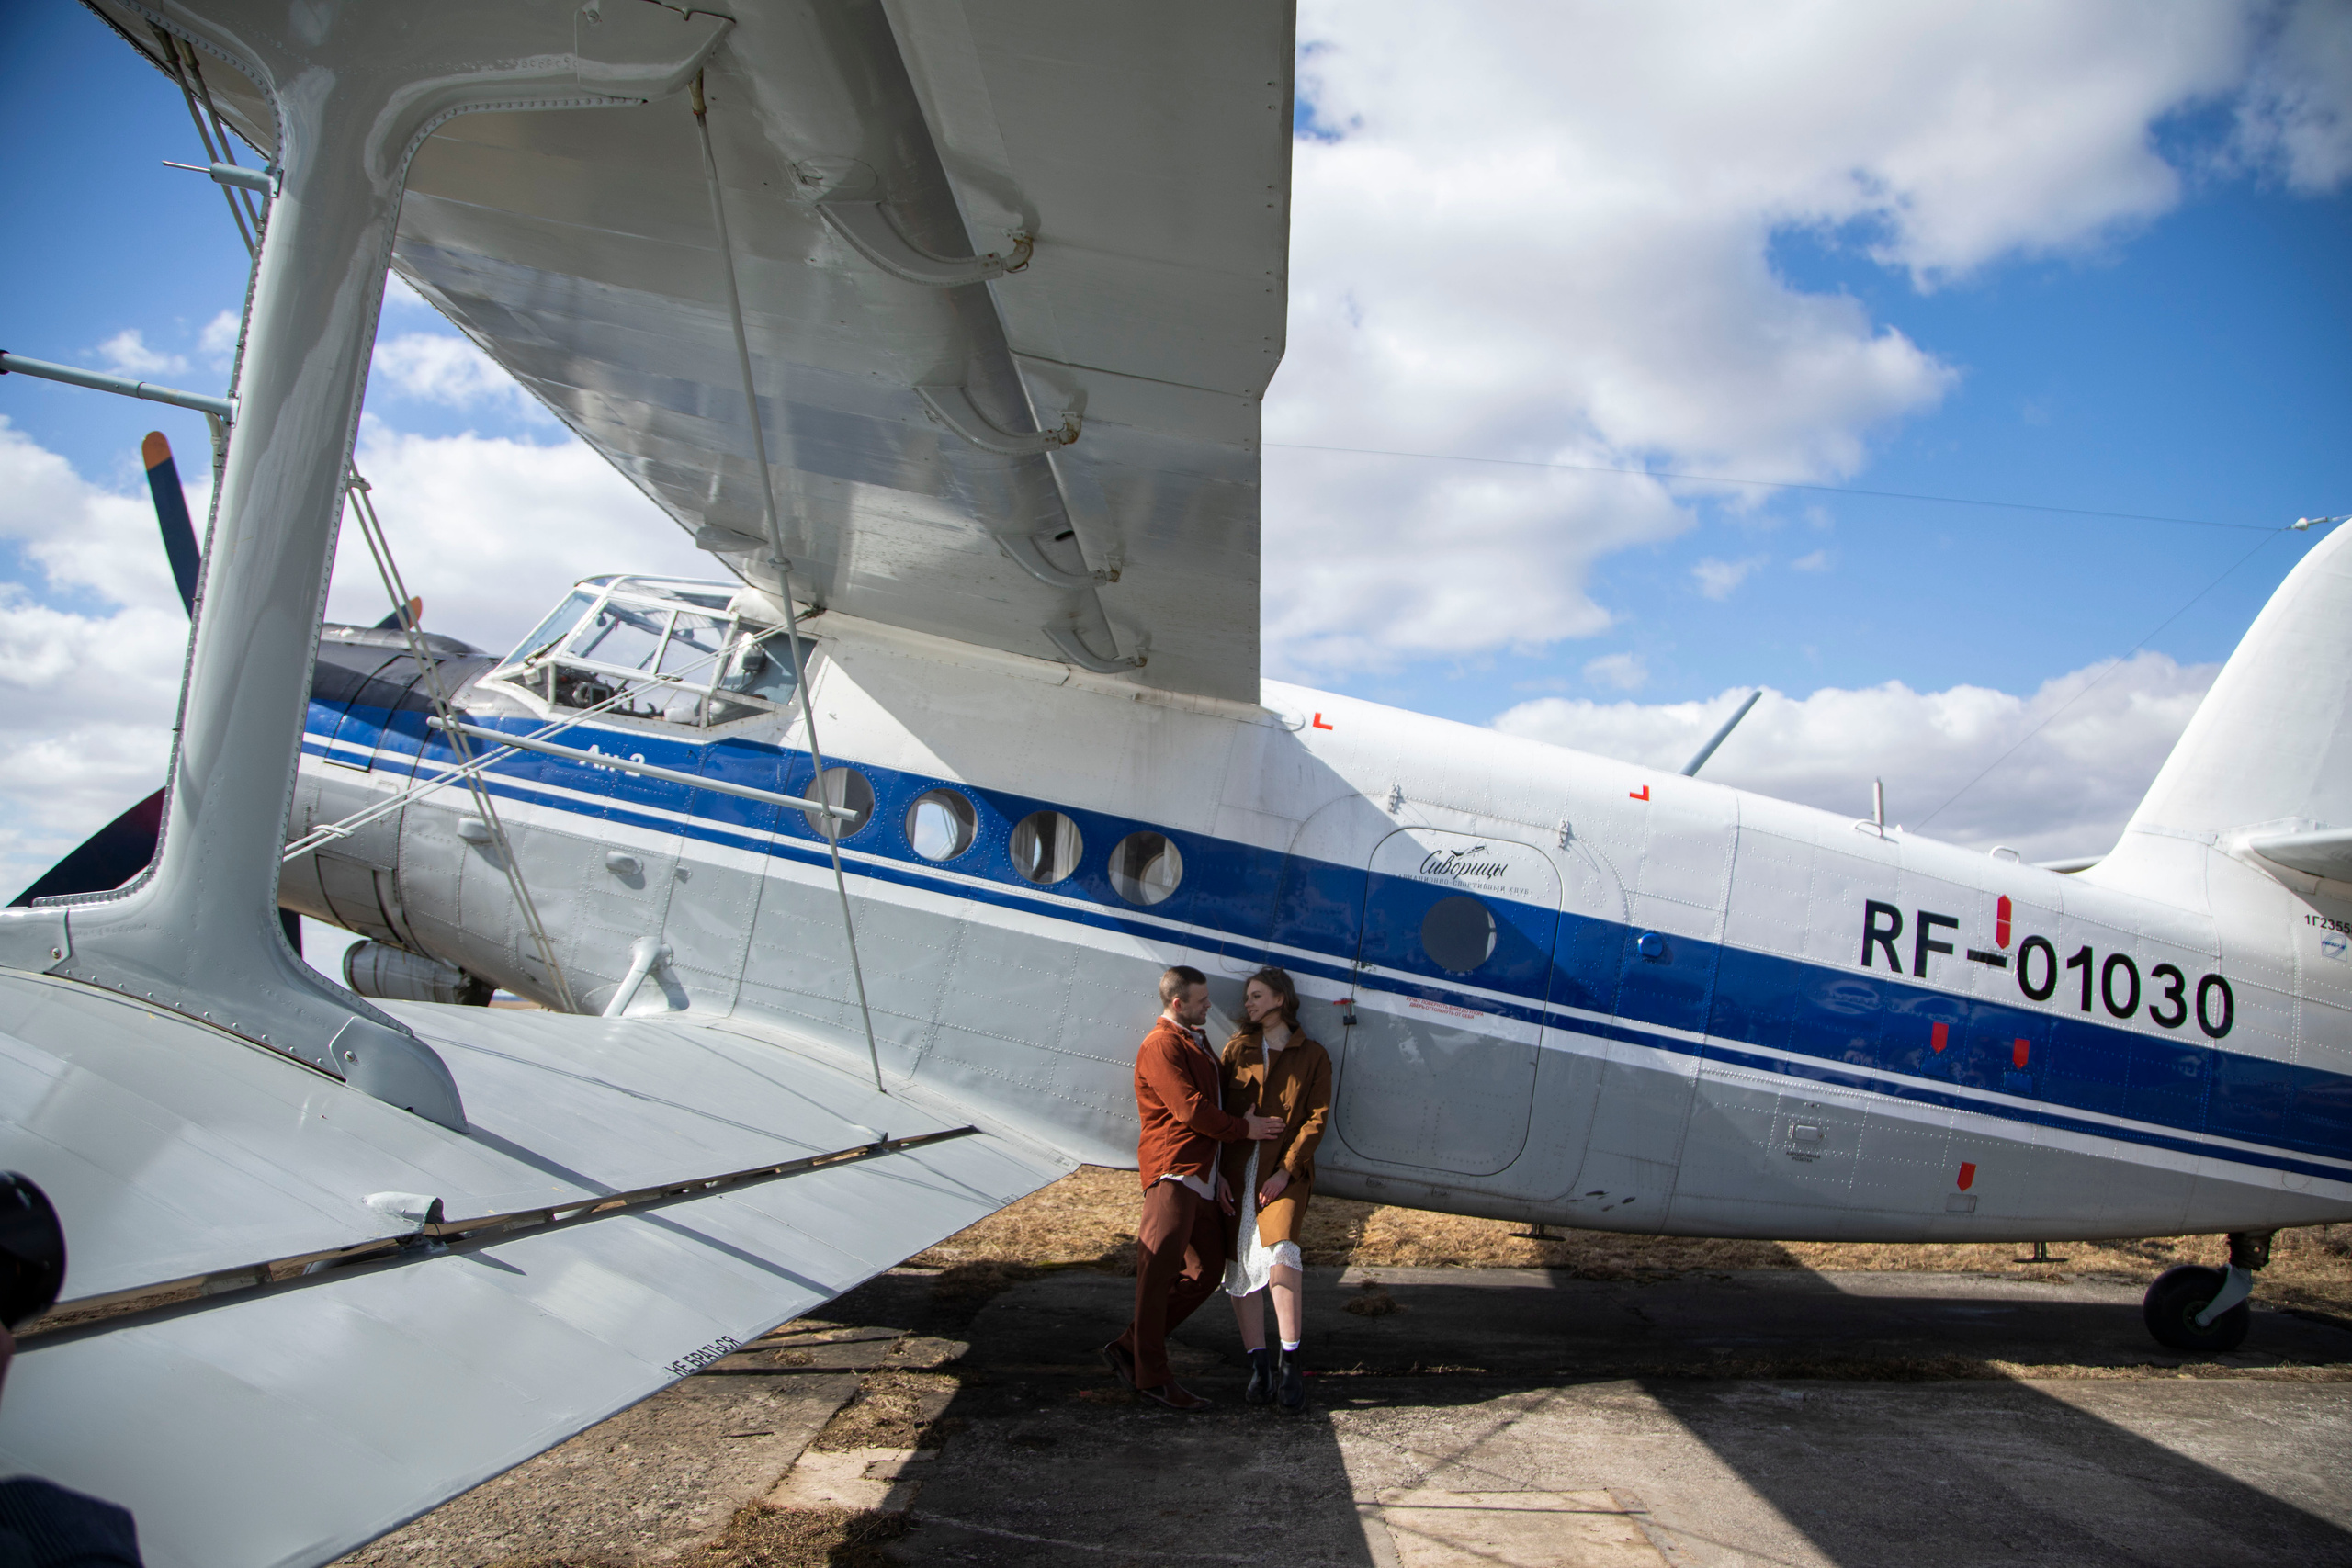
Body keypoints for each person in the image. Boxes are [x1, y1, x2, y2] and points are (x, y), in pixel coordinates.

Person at [1102, 966, 1283, 1410]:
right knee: (1156, 1274)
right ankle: (1152, 1378)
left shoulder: (1194, 1042)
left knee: (1203, 1274)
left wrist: (1219, 1168)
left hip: (1201, 1174)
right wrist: (1245, 1130)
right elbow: (1189, 1109)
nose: (1210, 1007)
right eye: (1202, 1001)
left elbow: (1209, 1105)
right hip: (1173, 1173)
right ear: (1178, 1003)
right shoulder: (1162, 1044)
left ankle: (1129, 1348)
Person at [1218, 967, 1331, 1414]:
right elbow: (1221, 1114)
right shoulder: (1236, 1050)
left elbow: (1316, 1119)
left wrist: (1286, 1171)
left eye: (1257, 996)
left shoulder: (1314, 1055)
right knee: (1240, 1266)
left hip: (1284, 1174)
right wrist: (1220, 1174)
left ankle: (1290, 1362)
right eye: (1248, 997)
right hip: (1237, 1170)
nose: (1249, 1004)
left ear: (1281, 999)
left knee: (1282, 1253)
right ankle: (1258, 1365)